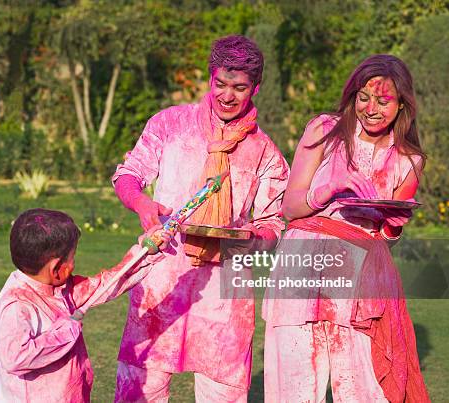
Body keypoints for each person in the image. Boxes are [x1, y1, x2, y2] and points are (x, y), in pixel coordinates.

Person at [112, 35, 289, 402]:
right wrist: (143, 205)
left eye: (239, 88)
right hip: (161, 280)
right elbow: (128, 175)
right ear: (210, 78)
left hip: (225, 291)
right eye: (220, 84)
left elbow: (274, 224)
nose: (227, 95)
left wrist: (252, 241)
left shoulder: (265, 151)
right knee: (138, 391)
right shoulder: (169, 123)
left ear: (255, 87)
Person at [262, 54, 430, 402]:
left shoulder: (408, 159)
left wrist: (394, 229)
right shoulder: (325, 129)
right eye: (363, 97)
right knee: (293, 388)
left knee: (360, 390)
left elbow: (385, 236)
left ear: (402, 105)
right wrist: (330, 187)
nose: (371, 108)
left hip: (359, 279)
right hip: (301, 266)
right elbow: (290, 208)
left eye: (383, 101)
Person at [0, 208, 170, 403]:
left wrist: (145, 253)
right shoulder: (17, 304)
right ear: (57, 268)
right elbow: (15, 357)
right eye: (73, 257)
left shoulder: (63, 289)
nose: (74, 263)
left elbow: (107, 285)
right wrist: (66, 331)